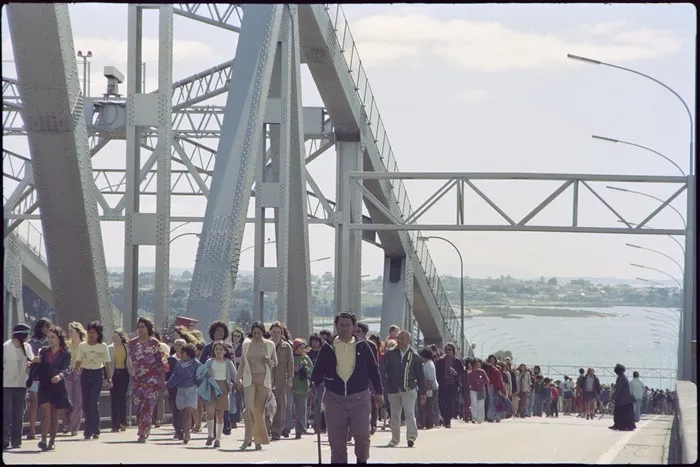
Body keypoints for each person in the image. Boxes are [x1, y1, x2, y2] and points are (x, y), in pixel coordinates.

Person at [311, 312, 383, 464]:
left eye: (348, 325)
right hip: (334, 398)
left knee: (363, 436)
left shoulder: (364, 346)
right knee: (336, 440)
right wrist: (313, 385)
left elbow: (373, 370)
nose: (345, 328)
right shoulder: (328, 347)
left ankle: (362, 460)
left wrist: (379, 392)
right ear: (336, 326)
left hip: (360, 397)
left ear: (353, 327)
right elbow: (318, 370)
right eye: (341, 325)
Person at [236, 322, 277, 451]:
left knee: (259, 411)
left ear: (263, 333)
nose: (257, 335)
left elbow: (274, 362)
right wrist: (237, 379)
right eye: (254, 333)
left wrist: (268, 361)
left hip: (263, 380)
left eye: (259, 333)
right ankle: (247, 438)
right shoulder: (246, 345)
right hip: (249, 379)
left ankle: (258, 440)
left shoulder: (269, 345)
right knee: (249, 409)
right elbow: (242, 363)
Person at [382, 330, 425, 448]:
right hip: (393, 389)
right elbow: (382, 370)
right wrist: (380, 386)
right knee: (395, 415)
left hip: (409, 389)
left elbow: (420, 375)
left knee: (410, 413)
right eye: (398, 338)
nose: (399, 341)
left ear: (408, 340)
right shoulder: (390, 353)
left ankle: (411, 437)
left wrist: (423, 392)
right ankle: (395, 439)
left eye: (402, 339)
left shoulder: (414, 355)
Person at [129, 317, 168, 443]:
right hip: (137, 379)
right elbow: (131, 360)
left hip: (152, 379)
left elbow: (162, 361)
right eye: (138, 327)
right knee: (138, 406)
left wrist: (163, 379)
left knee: (147, 406)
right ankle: (143, 426)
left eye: (142, 327)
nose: (140, 329)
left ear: (148, 329)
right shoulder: (132, 343)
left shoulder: (155, 343)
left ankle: (143, 432)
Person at [34, 325, 72, 451]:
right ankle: (43, 439)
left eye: (53, 337)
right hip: (45, 384)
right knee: (45, 413)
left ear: (59, 338)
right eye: (48, 337)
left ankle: (52, 441)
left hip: (57, 385)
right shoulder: (44, 351)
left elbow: (67, 368)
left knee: (54, 414)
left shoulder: (65, 353)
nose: (50, 340)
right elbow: (38, 367)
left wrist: (60, 376)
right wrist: (35, 361)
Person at [73, 321, 111, 440]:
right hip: (85, 374)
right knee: (86, 403)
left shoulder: (103, 346)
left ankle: (95, 429)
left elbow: (107, 364)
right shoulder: (82, 345)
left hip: (97, 374)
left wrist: (108, 378)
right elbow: (78, 360)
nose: (91, 335)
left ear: (98, 334)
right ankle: (87, 431)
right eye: (89, 332)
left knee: (93, 402)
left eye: (93, 333)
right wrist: (76, 372)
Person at [197, 340, 237, 448]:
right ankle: (210, 435)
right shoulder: (210, 361)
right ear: (213, 351)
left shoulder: (228, 362)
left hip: (223, 388)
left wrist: (238, 382)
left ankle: (218, 439)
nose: (218, 351)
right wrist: (207, 373)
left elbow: (234, 375)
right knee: (210, 412)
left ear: (225, 351)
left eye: (221, 349)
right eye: (216, 349)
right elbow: (201, 373)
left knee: (220, 415)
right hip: (211, 387)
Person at [3, 323, 34, 450]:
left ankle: (16, 440)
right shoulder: (6, 346)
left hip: (21, 384)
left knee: (19, 414)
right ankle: (5, 440)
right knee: (6, 414)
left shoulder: (27, 347)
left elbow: (31, 362)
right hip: (6, 385)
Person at [167, 343, 202, 444]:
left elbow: (200, 377)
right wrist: (168, 385)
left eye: (183, 353)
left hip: (192, 390)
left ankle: (187, 435)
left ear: (189, 353)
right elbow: (175, 376)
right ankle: (183, 431)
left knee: (187, 413)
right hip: (181, 390)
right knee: (182, 413)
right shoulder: (179, 364)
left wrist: (202, 389)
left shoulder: (196, 364)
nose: (181, 354)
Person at [27, 318, 51, 440]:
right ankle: (31, 431)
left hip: (47, 377)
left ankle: (44, 432)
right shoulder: (31, 342)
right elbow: (27, 359)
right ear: (40, 328)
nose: (47, 330)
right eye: (46, 327)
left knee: (46, 406)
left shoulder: (51, 342)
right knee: (33, 404)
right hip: (35, 375)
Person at [61, 322, 86, 437]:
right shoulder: (67, 345)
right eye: (69, 331)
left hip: (81, 373)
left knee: (78, 402)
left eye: (71, 331)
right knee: (66, 400)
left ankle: (74, 427)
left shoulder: (85, 345)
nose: (69, 333)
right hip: (68, 373)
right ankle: (66, 422)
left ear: (77, 331)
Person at [269, 321, 293, 441]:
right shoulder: (266, 345)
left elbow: (290, 364)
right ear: (270, 332)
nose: (276, 334)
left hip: (281, 379)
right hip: (267, 378)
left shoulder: (286, 346)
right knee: (266, 404)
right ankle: (266, 427)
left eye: (278, 332)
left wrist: (290, 379)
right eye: (274, 332)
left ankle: (276, 430)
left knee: (280, 405)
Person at [435, 343, 464, 428]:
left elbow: (462, 373)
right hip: (442, 384)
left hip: (453, 385)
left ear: (453, 351)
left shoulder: (457, 361)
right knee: (441, 402)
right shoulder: (441, 361)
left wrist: (455, 373)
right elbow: (436, 373)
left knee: (450, 402)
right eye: (446, 349)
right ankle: (444, 417)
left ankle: (448, 420)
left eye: (450, 350)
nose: (448, 351)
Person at [291, 338, 313, 439]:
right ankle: (286, 428)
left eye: (304, 348)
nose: (302, 350)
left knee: (301, 410)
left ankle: (299, 430)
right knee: (288, 408)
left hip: (302, 387)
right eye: (300, 348)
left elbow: (312, 371)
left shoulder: (306, 358)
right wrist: (293, 369)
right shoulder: (290, 358)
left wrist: (305, 368)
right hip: (291, 386)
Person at [609, 364, 636, 431]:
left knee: (618, 413)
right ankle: (627, 426)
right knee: (628, 415)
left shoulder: (621, 378)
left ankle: (618, 425)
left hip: (623, 400)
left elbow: (618, 389)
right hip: (627, 400)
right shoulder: (623, 377)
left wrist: (613, 397)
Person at [417, 348, 438, 429]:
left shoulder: (429, 365)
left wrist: (428, 391)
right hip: (426, 388)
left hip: (430, 388)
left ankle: (428, 423)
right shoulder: (426, 364)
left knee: (428, 406)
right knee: (424, 406)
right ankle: (423, 423)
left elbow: (429, 379)